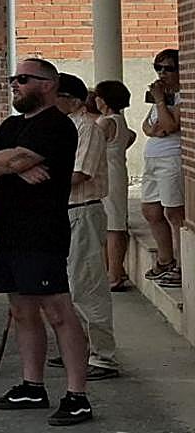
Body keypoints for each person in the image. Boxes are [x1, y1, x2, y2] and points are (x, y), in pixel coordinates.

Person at [0, 58, 92, 426]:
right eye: (14, 79)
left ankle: (77, 395)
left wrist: (9, 163)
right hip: (8, 231)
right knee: (22, 311)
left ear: (47, 84)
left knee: (57, 310)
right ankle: (32, 385)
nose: (15, 85)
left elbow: (12, 161)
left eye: (22, 79)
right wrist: (4, 162)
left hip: (41, 231)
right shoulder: (11, 124)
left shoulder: (56, 125)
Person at [53, 73, 119, 381]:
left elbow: (81, 173)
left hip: (83, 209)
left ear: (71, 99)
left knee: (87, 283)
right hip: (65, 212)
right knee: (68, 283)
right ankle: (79, 346)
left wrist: (42, 184)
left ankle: (103, 355)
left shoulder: (89, 129)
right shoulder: (65, 128)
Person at [141, 48, 183, 289]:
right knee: (150, 210)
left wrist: (159, 101)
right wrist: (159, 123)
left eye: (168, 68)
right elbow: (148, 127)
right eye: (158, 68)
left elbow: (168, 125)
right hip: (153, 158)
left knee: (173, 213)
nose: (162, 73)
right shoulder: (163, 97)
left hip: (171, 159)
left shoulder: (179, 96)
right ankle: (165, 258)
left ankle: (180, 263)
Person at [93, 80, 136, 291]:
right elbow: (131, 137)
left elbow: (92, 144)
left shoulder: (105, 122)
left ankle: (114, 274)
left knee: (112, 225)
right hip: (118, 170)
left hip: (108, 174)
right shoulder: (120, 120)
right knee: (118, 220)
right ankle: (117, 269)